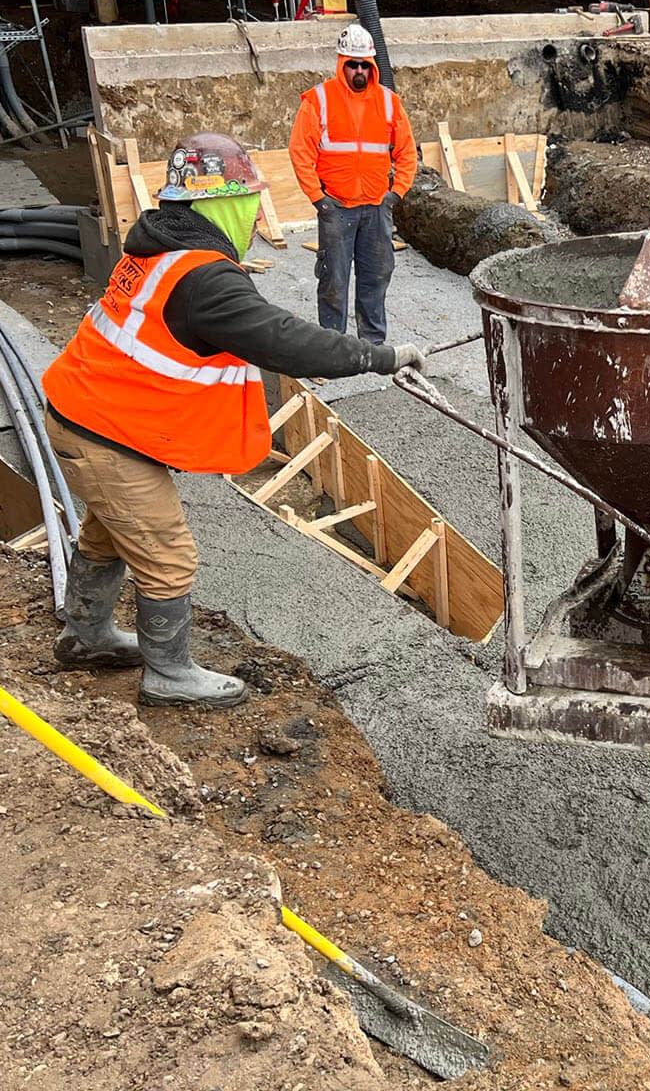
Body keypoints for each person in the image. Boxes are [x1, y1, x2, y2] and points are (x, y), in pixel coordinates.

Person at [41, 132, 427, 709]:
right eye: (246, 198)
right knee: (169, 556)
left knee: (111, 530)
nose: (252, 211)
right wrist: (379, 356)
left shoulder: (158, 247)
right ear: (219, 203)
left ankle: (87, 636)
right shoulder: (204, 280)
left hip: (90, 414)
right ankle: (167, 675)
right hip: (104, 433)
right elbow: (281, 340)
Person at [289, 23, 417, 343]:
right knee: (333, 278)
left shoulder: (389, 102)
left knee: (376, 276)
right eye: (352, 64)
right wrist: (319, 199)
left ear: (372, 65)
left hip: (376, 207)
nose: (359, 71)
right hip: (336, 207)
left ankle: (372, 345)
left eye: (364, 64)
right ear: (341, 63)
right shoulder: (318, 100)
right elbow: (300, 152)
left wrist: (395, 194)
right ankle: (333, 346)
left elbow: (407, 153)